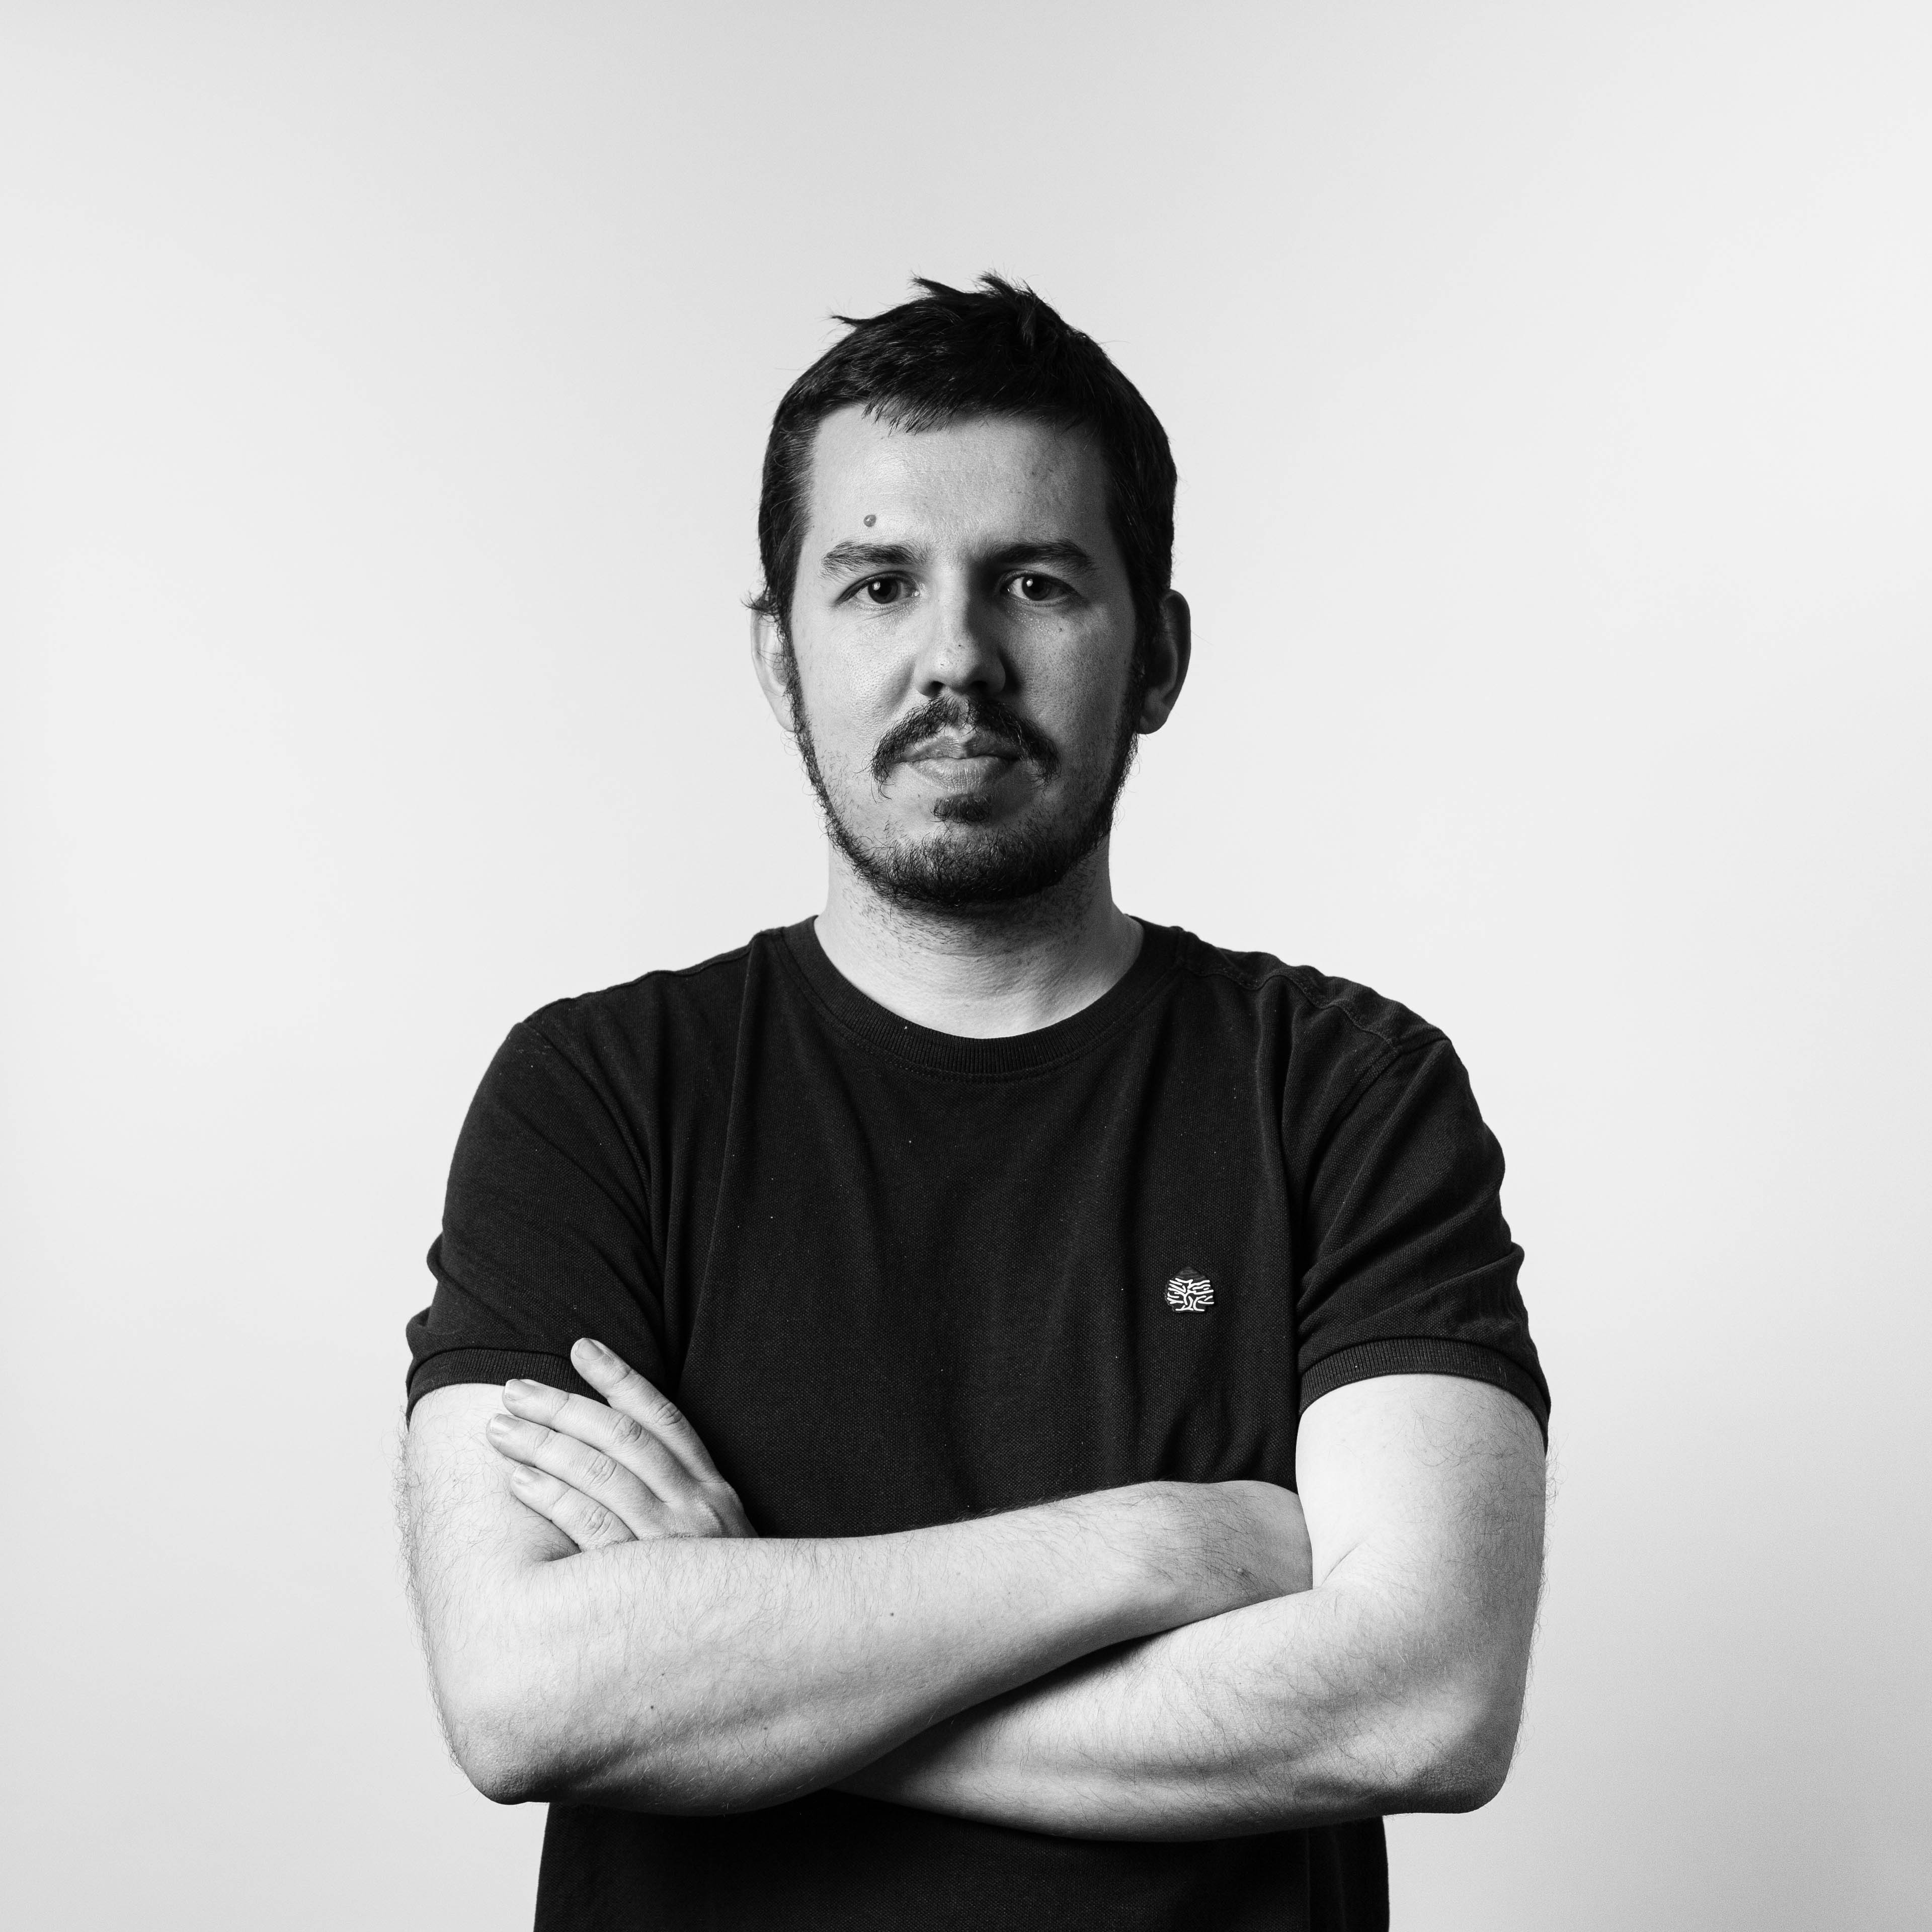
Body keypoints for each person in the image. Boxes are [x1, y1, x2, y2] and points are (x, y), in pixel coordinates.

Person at [399, 274, 1549, 1932]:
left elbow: (1424, 1702)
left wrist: (737, 1669)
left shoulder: (1345, 1095)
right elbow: (520, 1696)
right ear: (780, 656)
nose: (956, 657)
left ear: (1156, 654)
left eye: (1034, 581)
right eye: (878, 584)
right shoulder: (596, 1098)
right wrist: (1160, 1548)